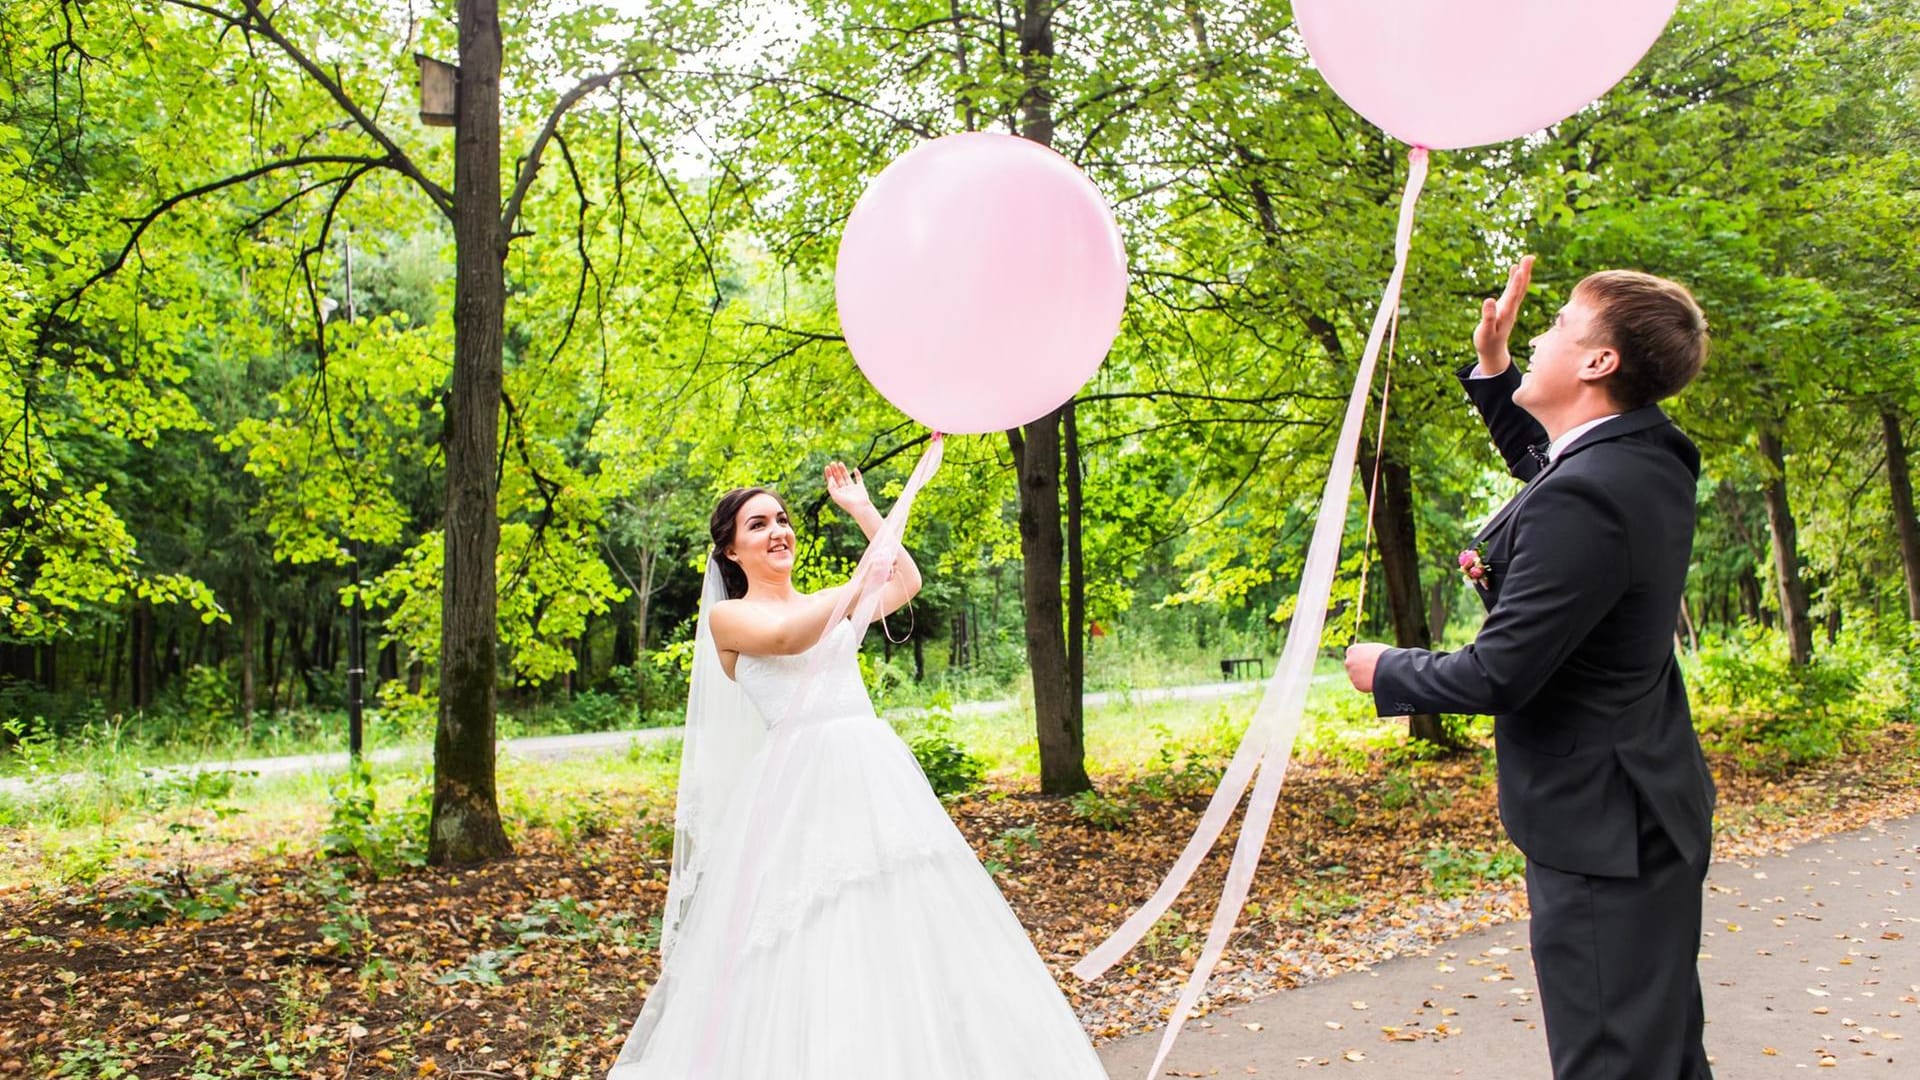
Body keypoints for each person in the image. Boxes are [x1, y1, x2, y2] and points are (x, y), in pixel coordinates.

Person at [608, 462, 1107, 1079]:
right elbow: (791, 638)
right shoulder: (730, 618)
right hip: (798, 787)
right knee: (813, 927)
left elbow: (906, 581)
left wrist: (866, 512)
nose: (778, 531)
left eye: (783, 519)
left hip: (871, 773)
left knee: (904, 913)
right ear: (731, 551)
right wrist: (856, 585)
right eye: (757, 524)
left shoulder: (826, 602)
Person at [1344, 257, 1717, 1079]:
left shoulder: (1593, 493)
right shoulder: (1647, 457)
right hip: (1642, 805)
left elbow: (1499, 675)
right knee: (1658, 1054)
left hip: (1604, 829)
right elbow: (1554, 469)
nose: (1539, 334)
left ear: (1598, 362)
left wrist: (1387, 668)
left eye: (1556, 327)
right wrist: (1497, 366)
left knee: (1614, 1062)